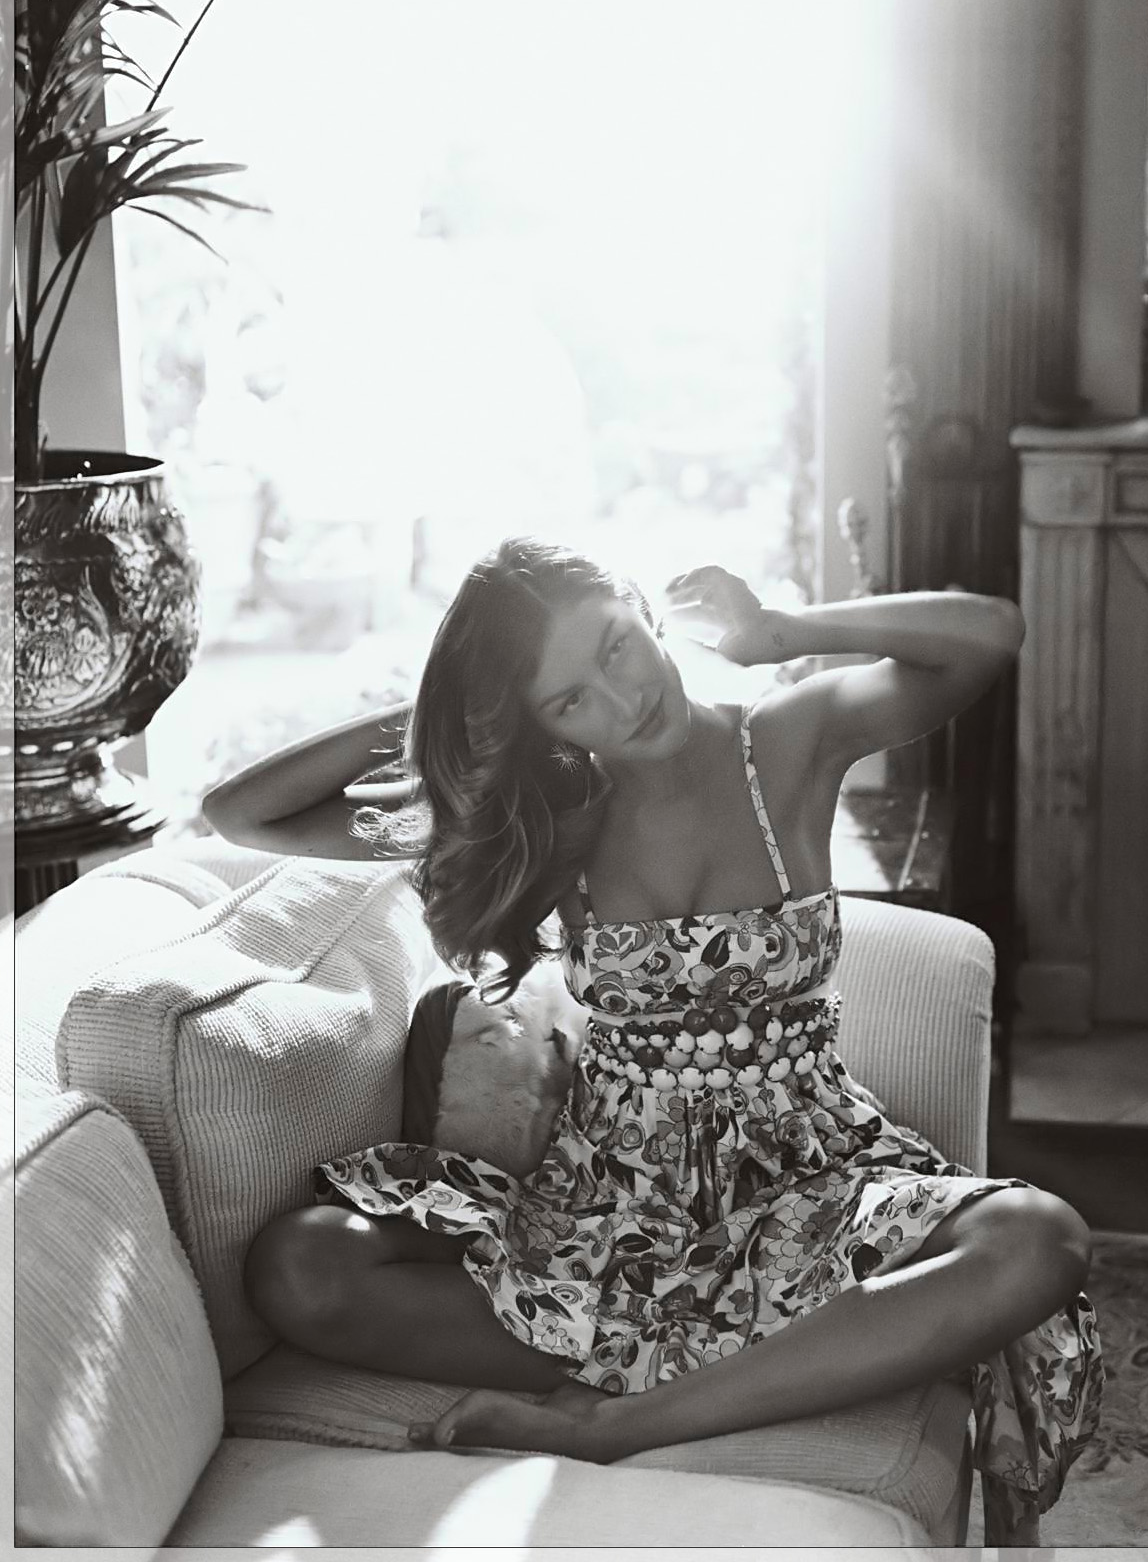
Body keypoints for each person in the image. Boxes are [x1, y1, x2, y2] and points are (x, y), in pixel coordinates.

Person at [204, 536, 1101, 1537]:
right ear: (540, 724)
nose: (623, 700)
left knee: (1038, 1239)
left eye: (616, 646)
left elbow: (988, 633)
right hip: (610, 1222)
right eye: (570, 699)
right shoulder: (549, 816)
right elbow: (242, 814)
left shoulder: (786, 742)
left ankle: (617, 1420)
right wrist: (452, 725)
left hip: (811, 1191)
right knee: (301, 1265)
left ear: (639, 607)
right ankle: (762, 1356)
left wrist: (778, 631)